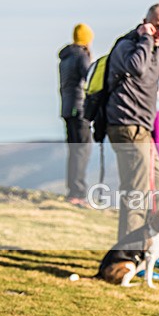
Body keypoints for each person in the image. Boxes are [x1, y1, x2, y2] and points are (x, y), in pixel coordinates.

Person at [105, 2, 159, 275]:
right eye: (156, 25)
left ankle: (150, 250)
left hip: (143, 130)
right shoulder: (129, 44)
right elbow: (135, 68)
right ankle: (125, 259)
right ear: (145, 21)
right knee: (136, 195)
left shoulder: (155, 50)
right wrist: (145, 37)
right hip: (127, 126)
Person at [58, 23, 94, 206]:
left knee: (74, 150)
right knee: (82, 149)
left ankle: (73, 190)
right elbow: (90, 77)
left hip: (67, 108)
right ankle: (78, 193)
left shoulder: (65, 58)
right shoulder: (81, 56)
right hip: (78, 108)